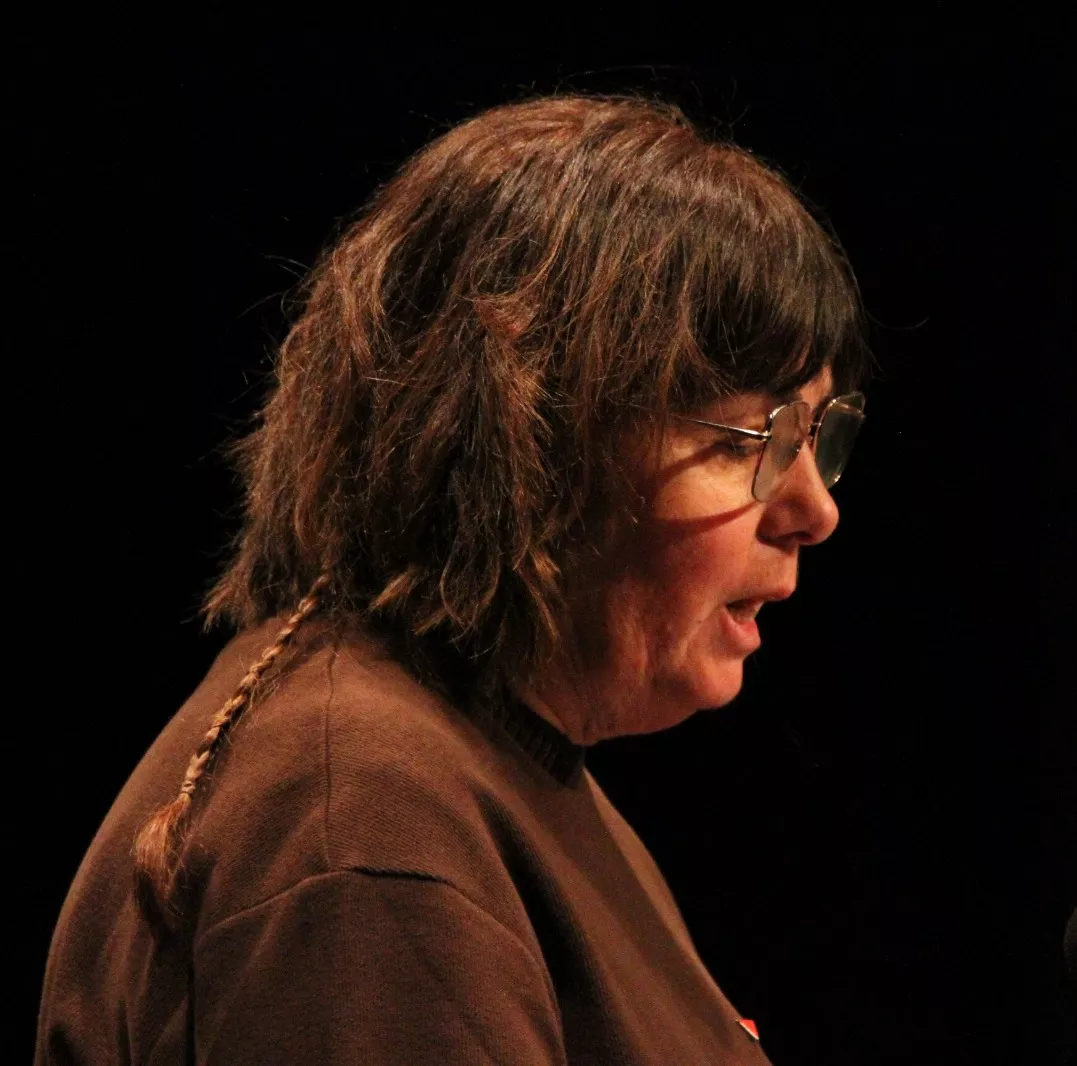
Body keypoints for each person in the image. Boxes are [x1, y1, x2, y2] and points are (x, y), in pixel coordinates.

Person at [36, 94, 869, 1065]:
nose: (815, 508)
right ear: (534, 444)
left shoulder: (502, 771)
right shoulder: (365, 825)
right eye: (754, 440)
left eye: (819, 436)